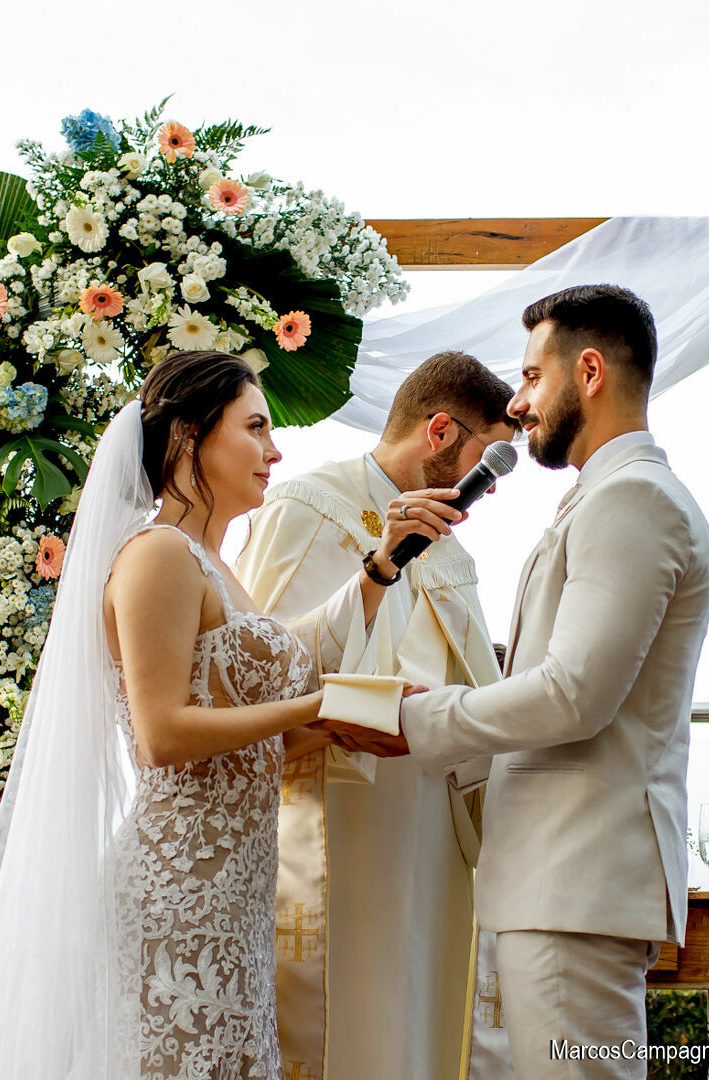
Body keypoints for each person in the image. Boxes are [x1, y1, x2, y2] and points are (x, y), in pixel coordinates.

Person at [0, 350, 459, 1080]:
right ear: (188, 437)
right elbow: (161, 735)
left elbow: (252, 732)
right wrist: (321, 703)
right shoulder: (156, 556)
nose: (276, 449)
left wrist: (347, 693)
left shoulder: (215, 565)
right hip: (175, 895)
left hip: (232, 897)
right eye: (256, 427)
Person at [327, 286, 709, 1079]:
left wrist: (416, 720)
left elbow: (574, 695)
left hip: (575, 877)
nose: (518, 401)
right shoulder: (609, 498)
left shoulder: (632, 500)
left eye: (532, 377)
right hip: (559, 879)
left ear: (589, 371)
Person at [234, 350, 518, 1080]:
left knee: (421, 1027)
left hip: (436, 825)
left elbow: (466, 672)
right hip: (343, 813)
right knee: (346, 1030)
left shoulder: (450, 551)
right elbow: (261, 668)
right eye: (486, 457)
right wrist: (377, 571)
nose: (486, 486)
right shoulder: (310, 505)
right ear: (440, 432)